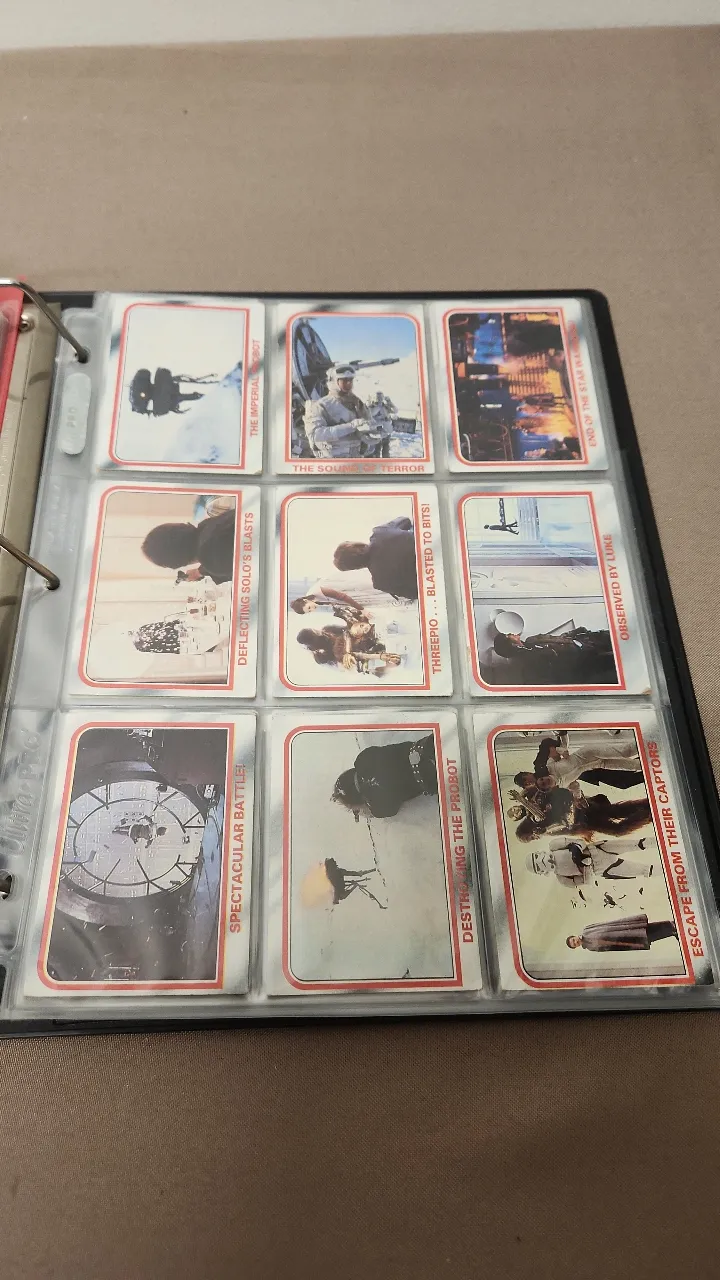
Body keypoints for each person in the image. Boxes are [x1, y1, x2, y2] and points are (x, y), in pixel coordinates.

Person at [332, 733, 438, 819]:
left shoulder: (376, 804)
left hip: (432, 776)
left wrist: (367, 808)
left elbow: (390, 810)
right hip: (427, 745)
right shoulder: (363, 757)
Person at [141, 506, 235, 584]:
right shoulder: (206, 526)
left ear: (176, 563)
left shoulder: (213, 562)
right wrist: (200, 572)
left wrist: (201, 571)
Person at [333, 515, 418, 601]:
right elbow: (405, 520)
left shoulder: (380, 583)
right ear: (356, 545)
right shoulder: (380, 532)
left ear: (355, 567)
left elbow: (415, 594)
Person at [304, 366, 378, 459]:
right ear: (334, 381)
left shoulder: (357, 403)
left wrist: (369, 435)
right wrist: (351, 426)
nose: (349, 383)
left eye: (351, 380)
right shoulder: (320, 405)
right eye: (344, 380)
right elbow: (316, 434)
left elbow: (367, 423)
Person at [528, 735, 645, 793]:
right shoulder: (564, 785)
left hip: (588, 753)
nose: (545, 781)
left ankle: (648, 738)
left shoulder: (550, 766)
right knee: (635, 766)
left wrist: (563, 751)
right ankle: (653, 757)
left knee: (625, 752)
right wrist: (577, 797)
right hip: (600, 764)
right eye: (544, 784)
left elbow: (556, 750)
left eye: (542, 779)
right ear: (549, 788)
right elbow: (576, 788)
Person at [526, 837, 655, 890]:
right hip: (603, 868)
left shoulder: (554, 845)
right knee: (644, 870)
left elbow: (579, 841)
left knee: (639, 844)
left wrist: (576, 849)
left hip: (598, 849)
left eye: (536, 857)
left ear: (538, 853)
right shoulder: (562, 879)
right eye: (537, 866)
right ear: (541, 872)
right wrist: (585, 866)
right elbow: (586, 881)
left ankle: (660, 838)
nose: (540, 862)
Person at [297, 622, 401, 677]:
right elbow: (343, 664)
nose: (319, 632)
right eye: (316, 633)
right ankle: (392, 667)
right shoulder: (321, 656)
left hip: (354, 643)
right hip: (351, 659)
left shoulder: (327, 629)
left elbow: (348, 629)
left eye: (315, 630)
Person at [567, 914, 678, 952]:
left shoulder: (586, 930)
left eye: (573, 940)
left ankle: (670, 925)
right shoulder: (591, 948)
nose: (576, 942)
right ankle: (671, 932)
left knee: (644, 929)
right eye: (574, 944)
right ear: (577, 947)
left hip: (619, 930)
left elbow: (605, 925)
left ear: (574, 936)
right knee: (647, 938)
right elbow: (607, 949)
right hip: (620, 941)